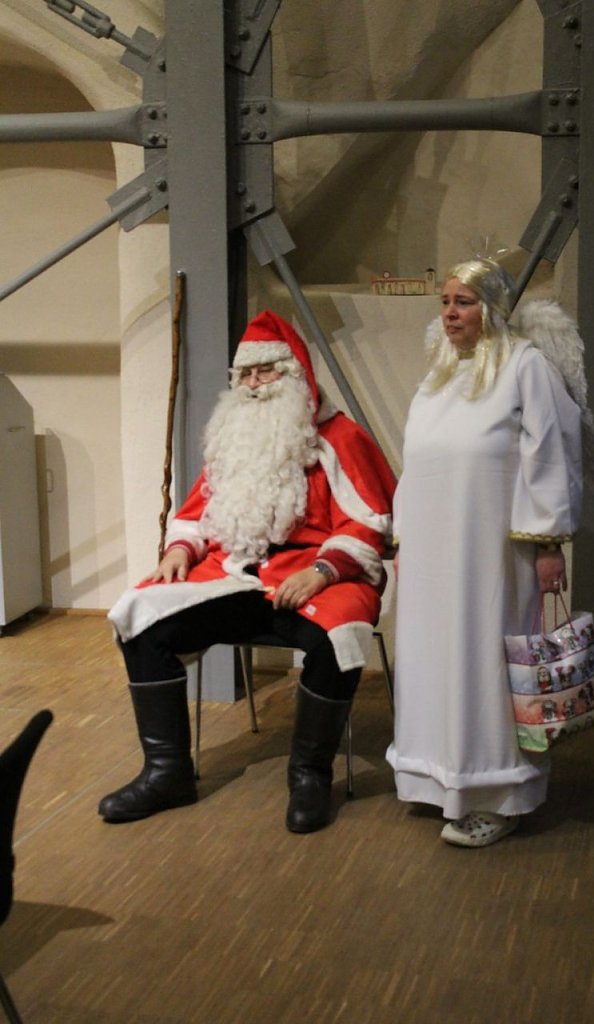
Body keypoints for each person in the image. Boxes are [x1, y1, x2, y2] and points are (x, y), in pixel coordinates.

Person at [101, 310, 395, 833]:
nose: (254, 384)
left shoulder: (341, 437)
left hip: (316, 575)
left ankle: (309, 774)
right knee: (141, 616)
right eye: (245, 374)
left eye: (266, 371)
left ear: (295, 375)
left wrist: (324, 570)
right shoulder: (232, 437)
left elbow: (371, 520)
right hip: (232, 572)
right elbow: (196, 511)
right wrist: (179, 549)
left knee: (340, 635)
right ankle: (167, 773)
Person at [386, 258, 584, 848]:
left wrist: (547, 542)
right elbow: (417, 464)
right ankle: (442, 777)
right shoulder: (439, 375)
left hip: (493, 554)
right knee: (434, 661)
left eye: (464, 302)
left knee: (488, 664)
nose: (450, 313)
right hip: (434, 556)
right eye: (445, 302)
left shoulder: (525, 366)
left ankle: (500, 795)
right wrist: (405, 537)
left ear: (492, 308)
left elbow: (552, 453)